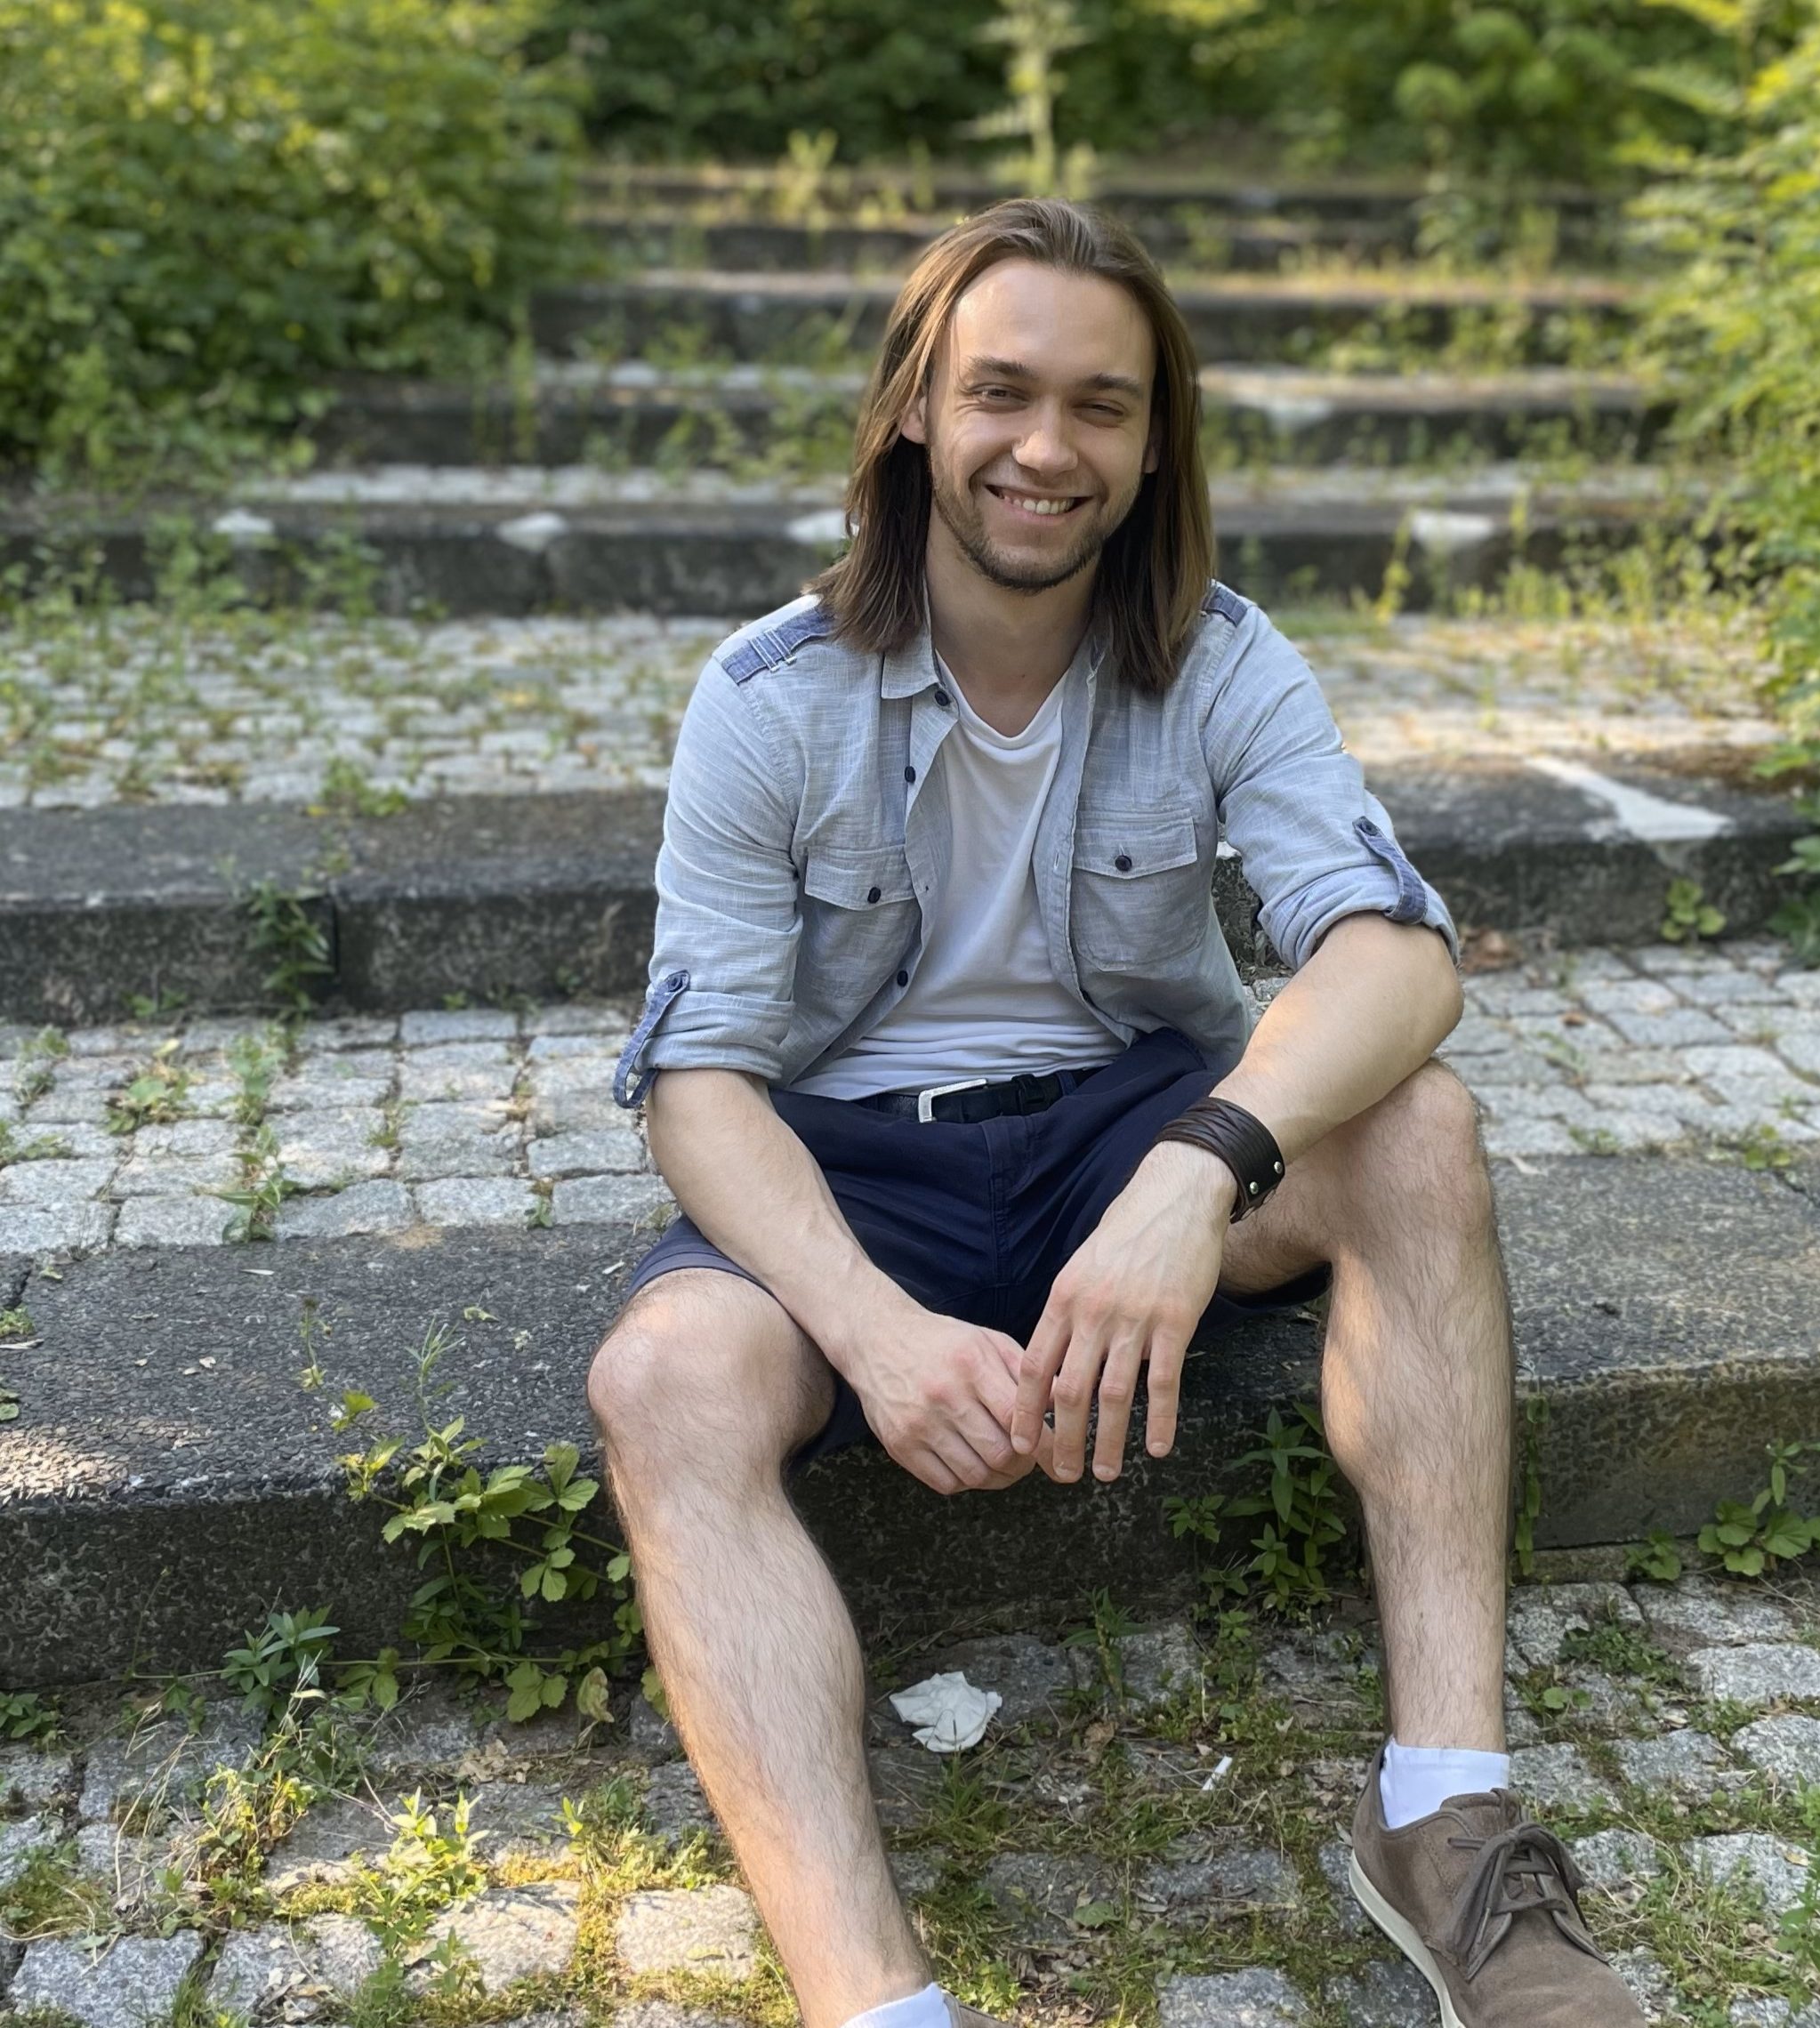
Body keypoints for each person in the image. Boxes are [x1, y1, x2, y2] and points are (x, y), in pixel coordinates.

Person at [591, 197, 1640, 2028]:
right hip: (858, 1168)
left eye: (1102, 405)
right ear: (917, 404)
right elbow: (698, 1084)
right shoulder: (769, 696)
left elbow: (1397, 961)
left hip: (1130, 1130)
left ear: (1156, 444)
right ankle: (880, 2004)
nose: (1045, 448)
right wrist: (875, 1331)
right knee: (663, 1382)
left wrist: (1195, 1168)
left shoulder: (1226, 658)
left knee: (1420, 1127)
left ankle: (1449, 1828)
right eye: (1001, 392)